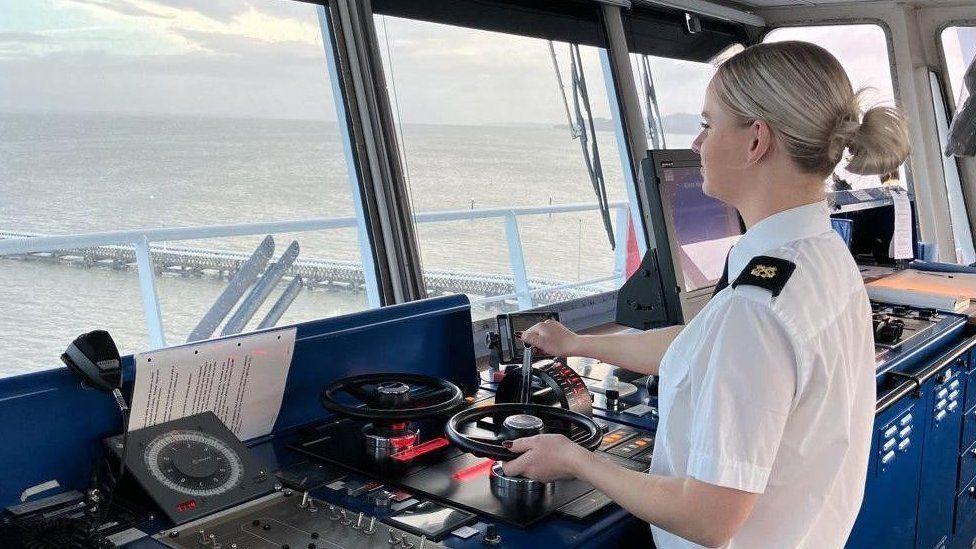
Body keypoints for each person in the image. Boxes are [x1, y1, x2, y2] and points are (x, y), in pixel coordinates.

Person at [506, 41, 910, 548]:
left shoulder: (757, 308)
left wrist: (576, 459)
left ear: (756, 140)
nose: (697, 144)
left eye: (708, 122)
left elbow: (708, 518)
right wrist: (577, 345)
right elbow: (701, 345)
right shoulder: (818, 255)